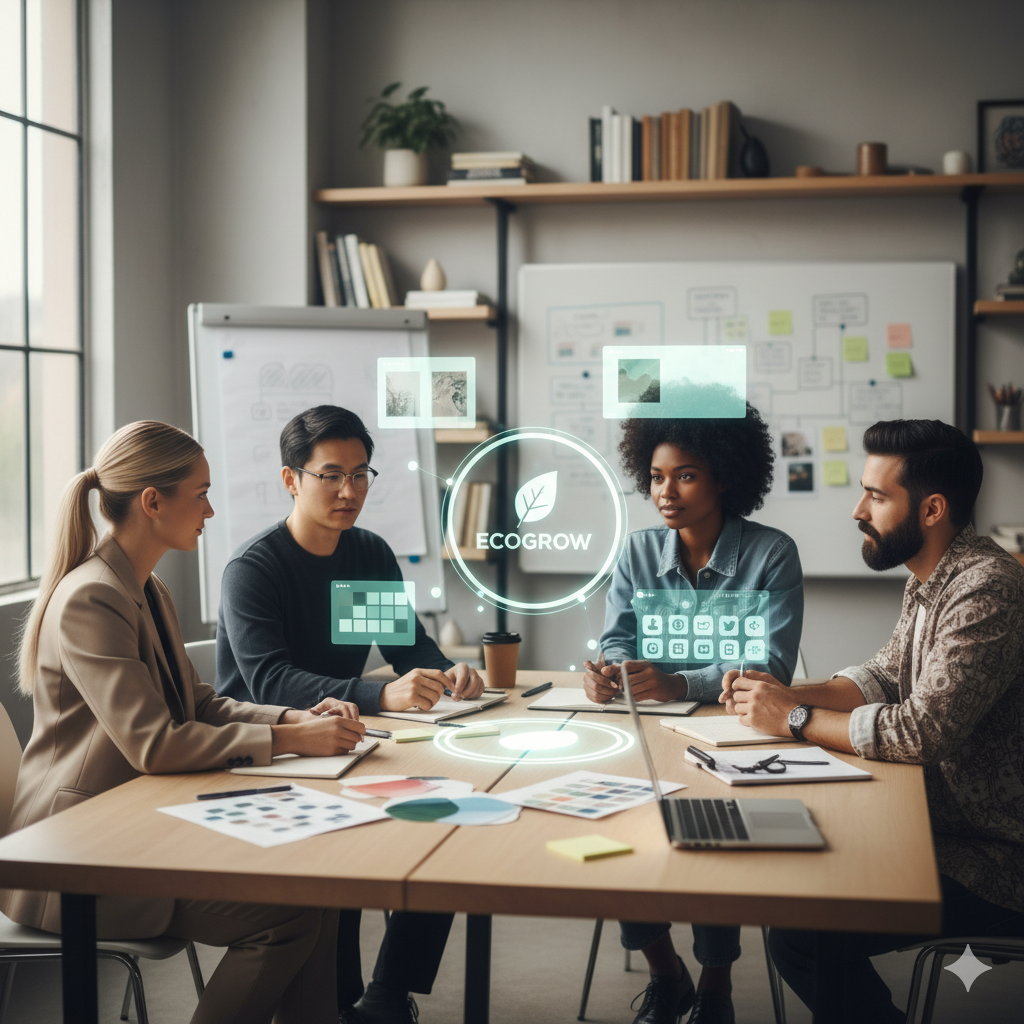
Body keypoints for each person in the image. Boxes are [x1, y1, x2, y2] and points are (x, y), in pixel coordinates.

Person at [2, 421, 364, 1024]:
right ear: (152, 502)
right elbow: (156, 745)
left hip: (137, 822)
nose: (211, 509)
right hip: (78, 851)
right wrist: (289, 741)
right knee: (289, 918)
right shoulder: (92, 598)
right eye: (200, 493)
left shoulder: (146, 589)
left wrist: (294, 716)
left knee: (314, 892)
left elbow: (197, 703)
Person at [720, 420, 1024, 1022]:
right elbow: (879, 680)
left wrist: (794, 718)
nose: (859, 509)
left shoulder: (989, 587)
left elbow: (922, 730)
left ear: (932, 508)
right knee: (803, 876)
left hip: (994, 858)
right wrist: (775, 692)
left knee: (805, 933)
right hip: (935, 823)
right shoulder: (931, 580)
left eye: (877, 496)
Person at [216, 405, 479, 1024]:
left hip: (352, 745)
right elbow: (269, 680)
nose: (348, 490)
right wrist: (380, 695)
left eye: (361, 474)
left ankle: (388, 996)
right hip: (267, 759)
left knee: (445, 818)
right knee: (350, 854)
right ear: (292, 480)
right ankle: (336, 1005)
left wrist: (450, 670)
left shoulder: (364, 554)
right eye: (331, 475)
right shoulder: (255, 569)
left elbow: (407, 649)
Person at [583, 399, 804, 1024]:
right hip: (644, 733)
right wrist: (613, 672)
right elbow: (619, 640)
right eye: (656, 476)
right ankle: (667, 972)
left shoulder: (772, 555)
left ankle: (715, 985)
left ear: (724, 477)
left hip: (734, 737)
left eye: (685, 475)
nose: (666, 492)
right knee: (617, 819)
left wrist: (679, 677)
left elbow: (770, 671)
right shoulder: (636, 553)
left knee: (712, 824)